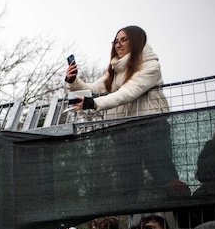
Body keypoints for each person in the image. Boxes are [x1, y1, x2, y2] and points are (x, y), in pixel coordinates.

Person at [65, 25, 185, 199]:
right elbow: (93, 88)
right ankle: (132, 226)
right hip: (122, 132)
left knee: (166, 180)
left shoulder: (151, 66)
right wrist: (73, 80)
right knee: (128, 187)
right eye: (115, 41)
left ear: (136, 42)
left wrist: (92, 103)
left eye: (123, 40)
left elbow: (127, 93)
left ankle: (185, 222)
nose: (118, 45)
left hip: (151, 129)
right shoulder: (115, 70)